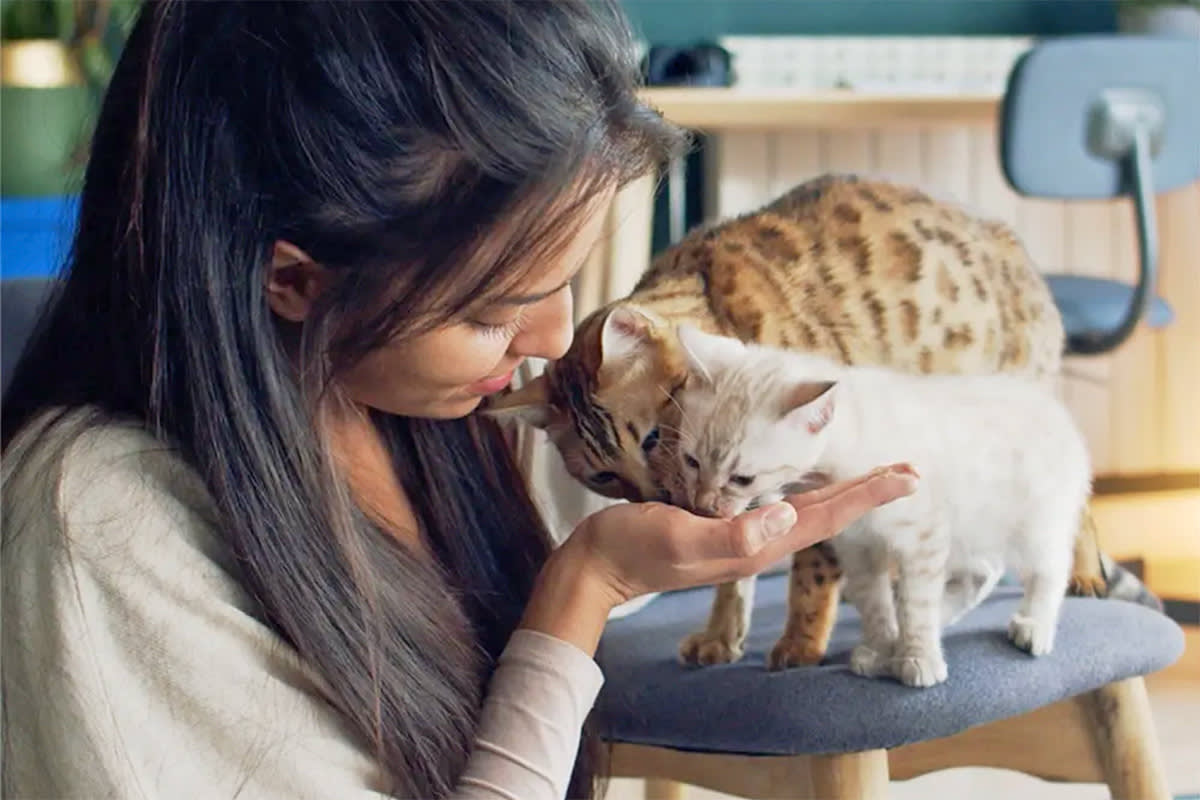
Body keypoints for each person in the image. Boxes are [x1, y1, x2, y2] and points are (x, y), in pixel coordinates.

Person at [0, 2, 918, 798]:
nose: (555, 340)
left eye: (566, 283)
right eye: (493, 312)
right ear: (295, 281)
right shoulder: (104, 540)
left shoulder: (398, 405)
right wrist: (585, 587)